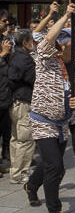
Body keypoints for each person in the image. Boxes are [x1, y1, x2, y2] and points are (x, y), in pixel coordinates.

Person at [25, 2, 75, 213]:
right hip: (43, 121)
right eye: (73, 44)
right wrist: (64, 16)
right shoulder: (46, 61)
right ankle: (54, 209)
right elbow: (43, 40)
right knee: (55, 165)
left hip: (63, 123)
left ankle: (32, 185)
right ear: (61, 46)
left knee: (48, 163)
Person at [8, 29, 36, 184]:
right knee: (26, 139)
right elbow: (34, 79)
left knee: (16, 137)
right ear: (25, 43)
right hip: (24, 102)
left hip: (15, 102)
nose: (33, 43)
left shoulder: (15, 55)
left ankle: (15, 167)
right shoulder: (24, 59)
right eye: (31, 40)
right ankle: (19, 173)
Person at [0, 13, 12, 172]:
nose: (7, 23)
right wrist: (2, 53)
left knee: (4, 129)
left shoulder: (4, 39)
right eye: (4, 21)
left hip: (5, 92)